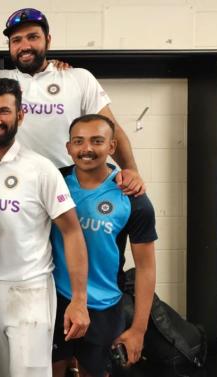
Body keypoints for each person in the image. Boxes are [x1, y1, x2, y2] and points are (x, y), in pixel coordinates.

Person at [0, 78, 89, 377]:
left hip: (29, 291)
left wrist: (79, 300)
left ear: (20, 115)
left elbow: (72, 231)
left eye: (4, 111)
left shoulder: (40, 169)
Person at [0, 8, 144, 196]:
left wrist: (131, 170)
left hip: (67, 187)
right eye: (16, 40)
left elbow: (111, 128)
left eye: (33, 37)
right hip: (14, 188)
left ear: (48, 40)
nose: (24, 45)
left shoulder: (78, 78)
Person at [51, 114, 157, 377]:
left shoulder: (132, 197)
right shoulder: (53, 182)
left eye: (97, 141)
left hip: (103, 305)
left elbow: (146, 268)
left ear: (111, 147)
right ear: (69, 147)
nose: (86, 149)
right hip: (54, 300)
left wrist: (139, 329)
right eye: (79, 141)